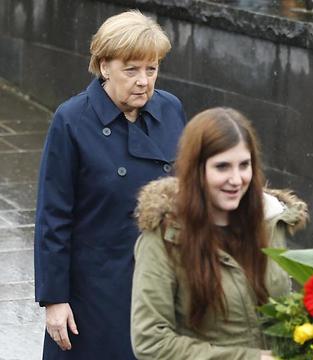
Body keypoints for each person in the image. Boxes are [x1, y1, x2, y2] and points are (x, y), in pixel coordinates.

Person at [33, 10, 186, 359]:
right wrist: (55, 299)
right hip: (98, 286)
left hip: (163, 279)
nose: (143, 81)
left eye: (152, 69)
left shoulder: (171, 108)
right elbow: (53, 216)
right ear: (104, 67)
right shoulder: (72, 120)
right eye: (131, 70)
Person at [130, 107, 309, 359]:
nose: (236, 179)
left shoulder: (270, 221)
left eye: (244, 165)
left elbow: (284, 310)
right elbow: (150, 341)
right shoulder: (164, 236)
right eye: (222, 167)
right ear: (196, 170)